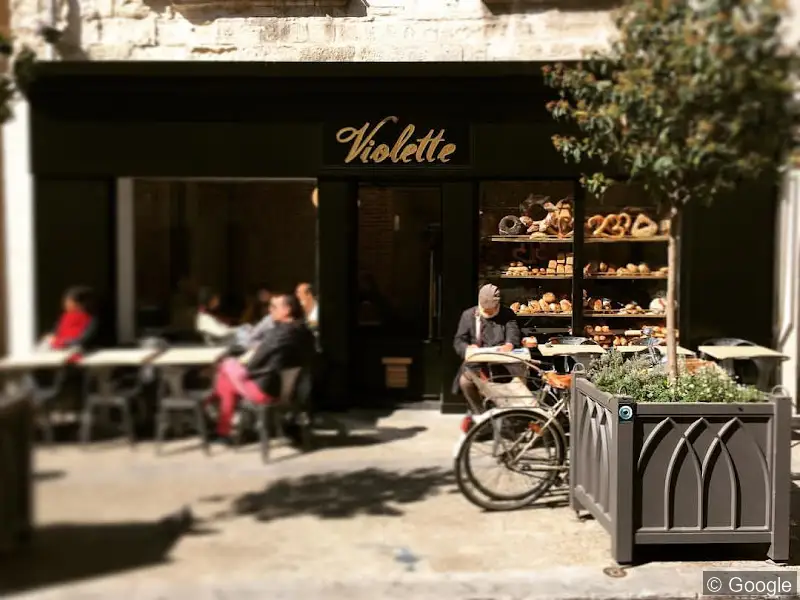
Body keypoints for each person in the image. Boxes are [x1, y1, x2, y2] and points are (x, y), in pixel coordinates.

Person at [210, 293, 315, 445]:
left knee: (225, 365)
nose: (269, 310)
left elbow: (254, 364)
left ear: (287, 310)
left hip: (265, 390)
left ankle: (222, 426)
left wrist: (242, 361)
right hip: (291, 392)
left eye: (273, 307)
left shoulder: (279, 333)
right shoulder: (303, 332)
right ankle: (224, 428)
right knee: (226, 380)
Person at [452, 284, 521, 413]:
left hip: (501, 366)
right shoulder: (468, 315)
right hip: (476, 366)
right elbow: (459, 340)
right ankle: (480, 416)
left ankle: (502, 416)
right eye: (485, 310)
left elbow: (513, 333)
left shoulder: (507, 314)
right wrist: (467, 348)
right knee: (465, 382)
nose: (488, 313)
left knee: (505, 388)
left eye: (492, 310)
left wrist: (510, 344)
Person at [39, 286, 98, 356]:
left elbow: (83, 340)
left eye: (68, 302)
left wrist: (63, 342)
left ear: (79, 304)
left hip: (74, 349)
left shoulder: (90, 319)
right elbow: (56, 332)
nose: (65, 304)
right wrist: (50, 337)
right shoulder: (64, 317)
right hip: (58, 349)